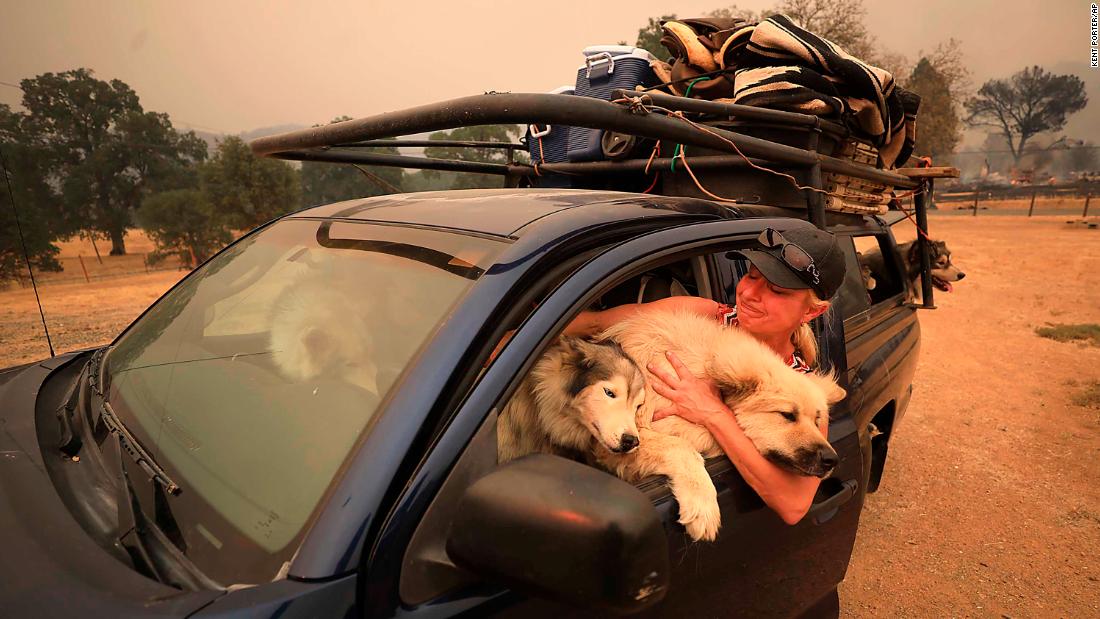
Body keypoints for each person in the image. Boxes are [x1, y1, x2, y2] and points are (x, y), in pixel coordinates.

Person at [564, 226, 847, 524]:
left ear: (811, 313)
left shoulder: (804, 393)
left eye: (776, 290)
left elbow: (793, 505)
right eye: (751, 275)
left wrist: (713, 414)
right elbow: (594, 325)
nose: (750, 294)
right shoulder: (702, 314)